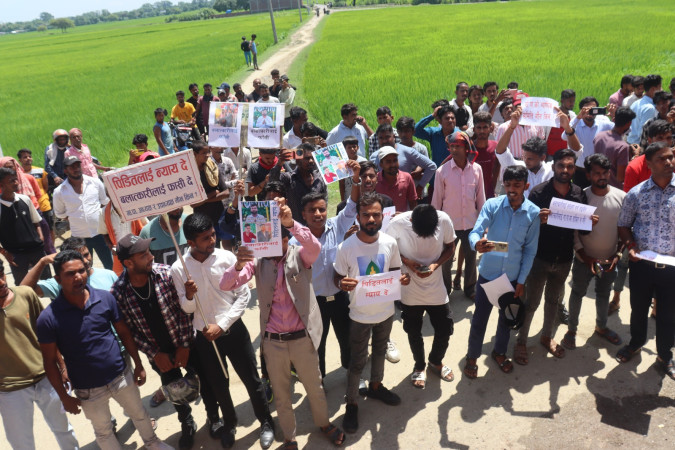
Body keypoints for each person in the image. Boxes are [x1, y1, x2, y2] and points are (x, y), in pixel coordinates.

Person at [221, 200, 346, 448]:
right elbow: (226, 284)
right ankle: (289, 437)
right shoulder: (256, 262)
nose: (276, 244)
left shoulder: (300, 255)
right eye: (270, 239)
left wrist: (291, 223)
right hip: (273, 342)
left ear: (288, 238)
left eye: (282, 238)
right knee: (281, 394)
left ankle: (324, 423)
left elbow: (315, 246)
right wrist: (237, 264)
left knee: (314, 386)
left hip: (302, 338)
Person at [36, 251, 170, 450]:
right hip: (88, 389)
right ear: (57, 279)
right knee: (104, 431)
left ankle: (153, 443)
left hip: (121, 376)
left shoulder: (105, 298)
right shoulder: (48, 318)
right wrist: (64, 397)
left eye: (81, 270)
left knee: (140, 415)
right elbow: (49, 362)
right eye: (70, 274)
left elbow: (124, 333)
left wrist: (138, 364)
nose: (78, 277)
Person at [172, 214, 275, 448]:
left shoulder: (227, 257)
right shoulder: (179, 269)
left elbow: (243, 295)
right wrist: (189, 295)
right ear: (190, 242)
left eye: (213, 235)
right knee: (219, 384)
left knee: (252, 379)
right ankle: (229, 424)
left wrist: (223, 324)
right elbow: (186, 308)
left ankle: (266, 421)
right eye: (205, 238)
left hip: (234, 331)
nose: (212, 241)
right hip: (206, 338)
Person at [111, 234, 215, 449]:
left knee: (205, 381)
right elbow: (130, 331)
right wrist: (154, 354)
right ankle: (187, 423)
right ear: (128, 263)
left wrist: (184, 346)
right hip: (159, 354)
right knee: (173, 389)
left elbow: (186, 311)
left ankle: (214, 417)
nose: (151, 257)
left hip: (187, 343)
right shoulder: (118, 292)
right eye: (143, 255)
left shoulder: (167, 274)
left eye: (149, 252)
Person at [334, 192, 410, 433]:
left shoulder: (390, 243)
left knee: (379, 352)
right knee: (357, 361)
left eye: (376, 215)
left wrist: (403, 279)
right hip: (359, 315)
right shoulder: (346, 247)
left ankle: (376, 386)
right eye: (366, 215)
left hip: (386, 312)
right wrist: (341, 283)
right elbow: (337, 276)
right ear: (357, 217)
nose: (371, 219)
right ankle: (352, 403)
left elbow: (396, 270)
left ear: (382, 217)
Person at [515, 149, 598, 365]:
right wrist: (538, 221)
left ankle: (546, 336)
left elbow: (582, 231)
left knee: (553, 301)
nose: (565, 170)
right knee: (531, 302)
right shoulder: (538, 193)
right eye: (561, 165)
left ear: (574, 169)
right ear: (553, 167)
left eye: (570, 166)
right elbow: (525, 227)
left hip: (564, 259)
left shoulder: (579, 194)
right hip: (539, 258)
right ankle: (521, 341)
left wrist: (590, 223)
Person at [464, 165, 540, 378]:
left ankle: (499, 352)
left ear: (526, 186)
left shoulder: (533, 213)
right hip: (487, 276)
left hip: (512, 278)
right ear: (503, 185)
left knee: (507, 319)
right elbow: (476, 231)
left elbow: (530, 250)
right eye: (508, 185)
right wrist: (476, 243)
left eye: (517, 185)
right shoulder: (492, 205)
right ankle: (472, 356)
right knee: (479, 319)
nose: (512, 189)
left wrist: (521, 281)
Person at [0, 260, 79, 450]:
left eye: (1, 274)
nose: (1, 282)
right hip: (10, 389)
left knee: (64, 429)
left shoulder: (25, 294)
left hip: (46, 378)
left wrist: (63, 367)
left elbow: (47, 336)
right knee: (21, 442)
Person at [293, 160, 362, 379]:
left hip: (341, 298)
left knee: (348, 339)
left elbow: (352, 205)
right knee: (317, 344)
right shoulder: (296, 242)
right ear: (303, 215)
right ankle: (319, 379)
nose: (318, 214)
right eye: (312, 210)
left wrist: (356, 178)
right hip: (315, 303)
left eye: (321, 209)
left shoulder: (338, 226)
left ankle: (352, 375)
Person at [615, 141, 675, 379]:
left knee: (668, 315)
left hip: (671, 269)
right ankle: (636, 343)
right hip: (642, 266)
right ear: (649, 164)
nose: (669, 162)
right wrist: (631, 246)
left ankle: (665, 355)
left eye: (670, 157)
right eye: (662, 158)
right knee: (638, 309)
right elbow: (623, 225)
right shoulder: (636, 194)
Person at [387, 204, 456, 388]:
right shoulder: (397, 224)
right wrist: (407, 262)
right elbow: (388, 250)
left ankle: (435, 361)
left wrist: (435, 265)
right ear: (411, 221)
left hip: (436, 288)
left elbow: (450, 247)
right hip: (410, 288)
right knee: (413, 330)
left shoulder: (444, 219)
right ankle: (419, 365)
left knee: (445, 328)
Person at [561, 154, 625, 351]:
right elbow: (574, 232)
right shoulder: (581, 197)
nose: (602, 176)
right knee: (577, 293)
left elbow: (624, 230)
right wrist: (584, 256)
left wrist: (617, 255)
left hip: (609, 261)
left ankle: (601, 327)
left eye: (605, 172)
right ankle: (572, 330)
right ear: (588, 175)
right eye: (597, 173)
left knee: (604, 294)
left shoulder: (621, 197)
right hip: (584, 260)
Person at [432, 131, 485, 299]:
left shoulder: (476, 170)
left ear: (466, 148)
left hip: (471, 224)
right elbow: (436, 201)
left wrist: (483, 225)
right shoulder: (442, 172)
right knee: (446, 261)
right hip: (449, 225)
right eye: (452, 146)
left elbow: (481, 199)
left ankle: (470, 289)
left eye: (458, 146)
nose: (454, 150)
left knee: (471, 259)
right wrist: (435, 227)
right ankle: (445, 290)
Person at [497, 107, 582, 198]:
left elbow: (576, 151)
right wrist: (512, 127)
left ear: (543, 157)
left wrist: (567, 128)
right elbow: (500, 152)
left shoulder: (551, 169)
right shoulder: (519, 167)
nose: (525, 161)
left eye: (530, 159)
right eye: (524, 157)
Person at [53, 156, 114, 270]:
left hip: (101, 233)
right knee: (83, 268)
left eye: (78, 165)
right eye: (72, 167)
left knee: (110, 265)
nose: (76, 168)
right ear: (65, 170)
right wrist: (76, 218)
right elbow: (60, 214)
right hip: (79, 237)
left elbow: (105, 203)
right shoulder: (59, 192)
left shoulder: (95, 182)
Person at [21, 237, 118, 298]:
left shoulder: (109, 275)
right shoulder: (60, 283)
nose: (85, 261)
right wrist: (42, 262)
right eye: (79, 257)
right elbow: (23, 291)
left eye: (86, 254)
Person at [0, 167, 49, 284]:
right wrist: (5, 253)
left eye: (16, 179)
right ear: (1, 184)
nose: (16, 182)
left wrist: (40, 237)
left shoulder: (25, 199)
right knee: (23, 286)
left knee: (48, 282)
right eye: (11, 181)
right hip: (16, 255)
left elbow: (36, 221)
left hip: (36, 249)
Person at [369, 124, 437, 199]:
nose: (384, 141)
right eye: (381, 138)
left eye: (387, 137)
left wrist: (420, 187)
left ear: (393, 136)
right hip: (382, 200)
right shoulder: (374, 157)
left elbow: (431, 166)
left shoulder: (407, 151)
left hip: (405, 199)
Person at [270, 143, 327, 223]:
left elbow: (325, 201)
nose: (311, 161)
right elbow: (272, 180)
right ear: (298, 160)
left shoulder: (320, 178)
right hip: (296, 227)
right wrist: (280, 163)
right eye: (307, 158)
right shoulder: (289, 178)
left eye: (313, 158)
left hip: (317, 226)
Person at [18, 148, 55, 251]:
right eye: (25, 157)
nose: (28, 159)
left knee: (49, 229)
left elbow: (45, 187)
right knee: (35, 230)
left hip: (43, 205)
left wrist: (41, 198)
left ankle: (51, 249)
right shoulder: (18, 174)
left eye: (29, 156)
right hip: (29, 208)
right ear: (20, 160)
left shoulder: (40, 171)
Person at [190, 142, 230, 232]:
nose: (208, 155)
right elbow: (193, 204)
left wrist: (203, 200)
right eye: (204, 153)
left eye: (208, 152)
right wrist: (213, 193)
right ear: (194, 154)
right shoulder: (190, 174)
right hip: (201, 220)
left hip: (218, 216)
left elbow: (226, 193)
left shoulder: (213, 169)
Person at [593, 106, 636, 189]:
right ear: (629, 123)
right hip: (614, 190)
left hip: (598, 186)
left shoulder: (599, 137)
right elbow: (620, 178)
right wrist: (634, 158)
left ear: (614, 119)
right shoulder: (623, 147)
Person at [375, 146, 418, 212]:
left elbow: (413, 203)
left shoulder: (407, 178)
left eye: (395, 160)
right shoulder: (375, 180)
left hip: (402, 218)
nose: (393, 164)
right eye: (388, 161)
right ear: (381, 164)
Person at [627, 74, 662, 145]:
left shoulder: (636, 103)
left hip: (631, 142)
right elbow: (643, 133)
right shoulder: (650, 108)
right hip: (639, 146)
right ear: (653, 89)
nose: (661, 90)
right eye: (660, 88)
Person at [472, 111, 500, 198]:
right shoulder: (468, 148)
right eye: (479, 128)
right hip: (470, 196)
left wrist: (493, 190)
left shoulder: (496, 146)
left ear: (490, 129)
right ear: (474, 129)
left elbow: (496, 169)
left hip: (489, 195)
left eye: (485, 127)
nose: (482, 131)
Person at [547, 89, 577, 157]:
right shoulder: (551, 114)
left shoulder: (573, 116)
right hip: (550, 154)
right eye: (570, 101)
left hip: (566, 154)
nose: (572, 103)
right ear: (562, 101)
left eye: (573, 101)